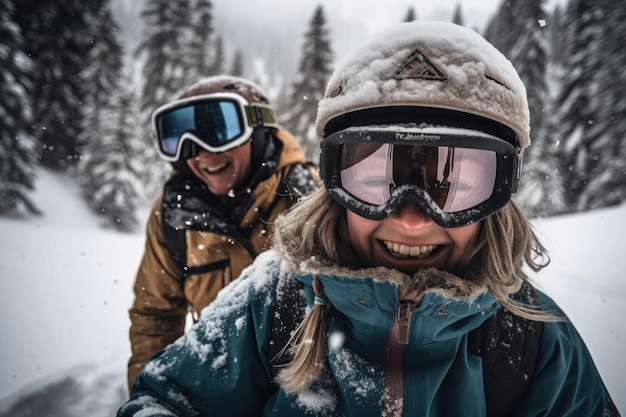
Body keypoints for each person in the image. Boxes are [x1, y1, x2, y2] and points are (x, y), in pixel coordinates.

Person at [118, 22, 620, 416]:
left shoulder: (533, 339)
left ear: (500, 198)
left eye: (458, 180)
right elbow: (164, 398)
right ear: (334, 187)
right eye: (373, 176)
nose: (410, 218)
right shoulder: (273, 299)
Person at [126, 75, 318, 390]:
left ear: (259, 131)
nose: (201, 155)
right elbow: (154, 319)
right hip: (215, 392)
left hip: (300, 391)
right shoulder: (174, 215)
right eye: (180, 140)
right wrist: (152, 398)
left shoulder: (311, 197)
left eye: (219, 132)